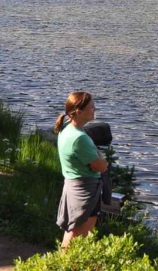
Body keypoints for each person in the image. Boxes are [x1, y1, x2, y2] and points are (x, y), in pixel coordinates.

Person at [54, 90, 108, 248]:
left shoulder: (67, 128)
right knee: (81, 234)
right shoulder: (79, 138)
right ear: (79, 112)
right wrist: (102, 158)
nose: (94, 109)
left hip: (73, 186)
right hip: (85, 190)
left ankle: (62, 260)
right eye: (92, 107)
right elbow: (101, 166)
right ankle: (68, 261)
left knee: (73, 232)